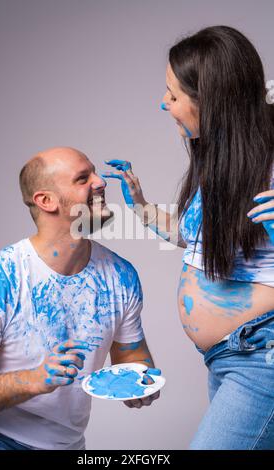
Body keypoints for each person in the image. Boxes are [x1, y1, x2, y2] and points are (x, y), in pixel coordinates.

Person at [102, 25, 274, 450]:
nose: (164, 104)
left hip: (261, 359)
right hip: (227, 358)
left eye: (174, 95)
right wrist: (140, 204)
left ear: (211, 99)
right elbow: (195, 238)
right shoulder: (225, 158)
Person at [0, 146, 160, 451]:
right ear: (46, 201)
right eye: (82, 178)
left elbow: (132, 358)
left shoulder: (121, 276)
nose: (101, 182)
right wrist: (32, 380)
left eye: (95, 174)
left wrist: (139, 385)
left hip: (68, 445)